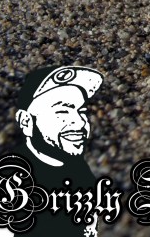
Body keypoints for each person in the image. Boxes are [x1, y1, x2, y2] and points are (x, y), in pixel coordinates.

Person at [14, 65, 103, 237]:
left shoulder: (82, 172)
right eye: (63, 111)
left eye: (82, 111)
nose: (79, 123)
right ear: (26, 121)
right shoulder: (14, 179)